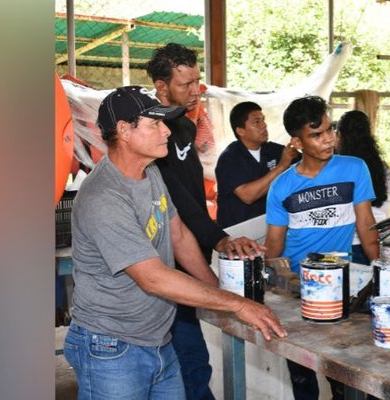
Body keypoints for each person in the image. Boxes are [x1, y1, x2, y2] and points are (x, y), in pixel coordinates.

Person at [63, 86, 286, 400]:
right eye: (155, 124)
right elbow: (152, 277)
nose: (166, 130)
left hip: (157, 339)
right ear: (124, 130)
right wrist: (237, 303)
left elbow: (178, 234)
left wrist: (220, 292)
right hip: (111, 347)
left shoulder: (150, 172)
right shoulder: (104, 197)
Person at [264, 96, 379, 400]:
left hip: (340, 287)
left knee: (344, 375)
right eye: (316, 135)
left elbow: (366, 225)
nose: (328, 140)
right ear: (297, 141)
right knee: (302, 376)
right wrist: (270, 285)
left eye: (330, 130)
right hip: (296, 288)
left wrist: (380, 271)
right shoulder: (282, 186)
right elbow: (275, 242)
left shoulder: (355, 168)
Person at [146, 42, 240, 400]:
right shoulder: (152, 133)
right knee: (190, 361)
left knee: (188, 362)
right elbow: (175, 201)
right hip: (166, 260)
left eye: (197, 81)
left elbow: (194, 196)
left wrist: (212, 243)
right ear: (161, 85)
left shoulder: (183, 128)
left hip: (193, 255)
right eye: (185, 84)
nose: (194, 91)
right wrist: (218, 237)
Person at [215, 101, 299, 229]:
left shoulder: (273, 150)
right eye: (257, 122)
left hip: (269, 223)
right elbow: (248, 196)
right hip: (238, 231)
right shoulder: (229, 158)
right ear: (241, 131)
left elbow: (304, 164)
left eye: (263, 120)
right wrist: (281, 167)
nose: (264, 125)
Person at [335, 109, 390, 265]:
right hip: (379, 240)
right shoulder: (382, 168)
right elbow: (385, 204)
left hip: (349, 243)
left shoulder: (340, 169)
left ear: (339, 135)